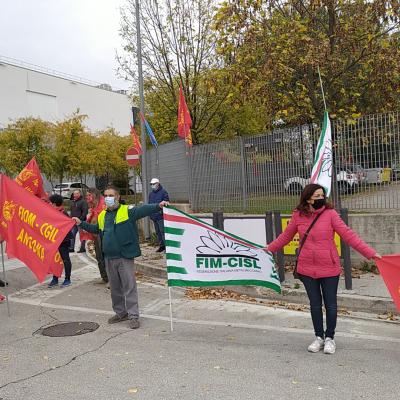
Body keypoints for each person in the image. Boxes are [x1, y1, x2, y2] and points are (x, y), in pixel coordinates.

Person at [265, 184, 381, 355]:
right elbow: (285, 237)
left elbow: (349, 235)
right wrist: (268, 249)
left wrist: (371, 253)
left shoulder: (330, 214)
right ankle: (318, 337)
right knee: (315, 305)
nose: (321, 198)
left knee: (331, 305)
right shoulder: (298, 215)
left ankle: (330, 338)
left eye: (322, 195)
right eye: (317, 195)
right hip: (307, 268)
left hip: (329, 268)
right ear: (308, 198)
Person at [72, 185, 169, 329]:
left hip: (124, 256)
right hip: (109, 257)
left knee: (129, 287)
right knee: (115, 288)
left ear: (117, 197)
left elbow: (143, 210)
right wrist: (82, 223)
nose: (108, 198)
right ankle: (120, 313)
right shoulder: (103, 215)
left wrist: (158, 205)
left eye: (111, 195)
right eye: (106, 195)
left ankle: (133, 316)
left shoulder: (127, 211)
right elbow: (97, 230)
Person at [81, 188, 108, 283]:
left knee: (104, 257)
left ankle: (109, 278)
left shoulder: (103, 205)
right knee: (99, 257)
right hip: (96, 235)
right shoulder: (94, 206)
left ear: (94, 195)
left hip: (103, 235)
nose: (87, 197)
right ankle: (105, 277)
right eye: (86, 195)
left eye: (89, 195)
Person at [48, 194, 74, 288]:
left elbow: (68, 227)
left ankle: (67, 279)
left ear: (54, 204)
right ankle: (55, 278)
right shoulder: (52, 212)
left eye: (50, 203)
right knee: (54, 260)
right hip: (54, 240)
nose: (49, 204)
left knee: (65, 259)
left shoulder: (63, 213)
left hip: (63, 241)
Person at [148, 178, 169, 252]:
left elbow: (166, 203)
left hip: (161, 216)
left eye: (154, 184)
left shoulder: (163, 192)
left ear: (158, 184)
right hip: (154, 216)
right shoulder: (151, 194)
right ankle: (162, 246)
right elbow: (149, 204)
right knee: (158, 232)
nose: (152, 185)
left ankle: (167, 247)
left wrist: (161, 212)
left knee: (163, 232)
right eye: (151, 184)